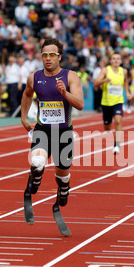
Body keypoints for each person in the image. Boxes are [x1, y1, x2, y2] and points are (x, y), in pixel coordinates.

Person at [21, 38, 84, 223]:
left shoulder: (70, 76)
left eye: (52, 55)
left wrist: (65, 93)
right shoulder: (35, 77)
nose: (48, 59)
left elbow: (80, 104)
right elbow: (27, 94)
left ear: (60, 57)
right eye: (44, 55)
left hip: (64, 132)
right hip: (43, 129)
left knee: (62, 174)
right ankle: (36, 177)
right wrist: (23, 117)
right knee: (38, 161)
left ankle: (64, 188)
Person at [94, 53, 129, 154]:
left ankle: (117, 144)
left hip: (118, 101)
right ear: (110, 61)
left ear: (121, 61)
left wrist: (128, 93)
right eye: (114, 59)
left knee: (118, 121)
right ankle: (111, 132)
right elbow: (96, 83)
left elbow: (125, 82)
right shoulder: (105, 70)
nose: (116, 60)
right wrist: (104, 80)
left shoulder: (124, 71)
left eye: (118, 59)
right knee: (107, 127)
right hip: (106, 102)